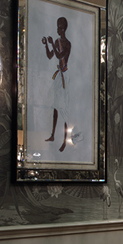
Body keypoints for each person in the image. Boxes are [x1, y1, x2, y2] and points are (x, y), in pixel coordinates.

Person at [42, 17, 72, 152]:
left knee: (64, 108)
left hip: (65, 76)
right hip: (58, 76)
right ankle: (53, 135)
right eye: (57, 27)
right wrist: (46, 45)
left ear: (63, 29)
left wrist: (52, 44)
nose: (57, 29)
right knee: (55, 105)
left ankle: (66, 141)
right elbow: (50, 56)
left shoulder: (67, 44)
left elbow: (60, 56)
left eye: (59, 27)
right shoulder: (56, 41)